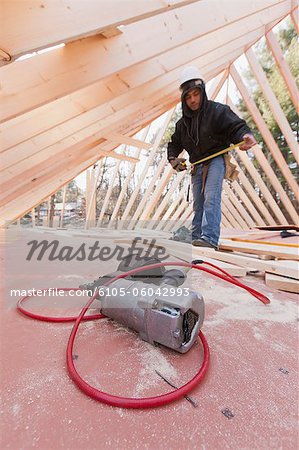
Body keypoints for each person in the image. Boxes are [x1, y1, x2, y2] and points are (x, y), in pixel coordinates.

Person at [167, 66, 257, 250]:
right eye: (188, 97)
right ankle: (197, 236)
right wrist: (173, 158)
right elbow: (174, 144)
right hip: (197, 164)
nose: (193, 100)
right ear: (184, 99)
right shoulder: (182, 124)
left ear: (202, 93)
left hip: (215, 160)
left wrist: (244, 136)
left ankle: (210, 238)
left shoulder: (217, 111)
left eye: (196, 94)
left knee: (210, 198)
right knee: (198, 203)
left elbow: (236, 127)